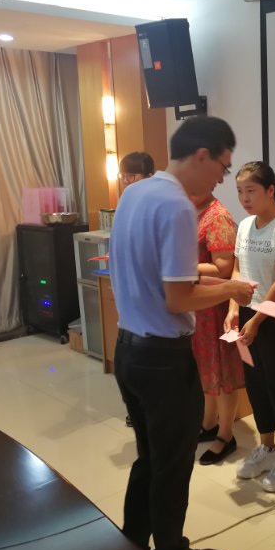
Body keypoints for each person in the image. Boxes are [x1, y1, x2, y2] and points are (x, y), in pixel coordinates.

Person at [109, 116, 254, 550]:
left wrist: (216, 283)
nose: (222, 179)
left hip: (128, 350)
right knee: (172, 467)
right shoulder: (176, 206)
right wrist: (231, 289)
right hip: (163, 361)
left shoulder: (134, 193)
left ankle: (134, 542)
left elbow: (165, 277)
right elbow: (178, 297)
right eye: (223, 167)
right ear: (202, 156)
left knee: (150, 458)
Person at [225, 161, 275, 492]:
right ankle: (267, 447)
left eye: (251, 191)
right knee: (256, 384)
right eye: (239, 191)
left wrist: (258, 319)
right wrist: (234, 308)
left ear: (270, 190)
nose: (244, 198)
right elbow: (238, 271)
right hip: (249, 315)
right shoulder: (245, 225)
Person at [190, 192, 243, 465]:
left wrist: (184, 267)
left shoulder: (217, 216)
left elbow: (224, 268)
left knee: (221, 371)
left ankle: (226, 434)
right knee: (205, 368)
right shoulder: (193, 212)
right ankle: (208, 423)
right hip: (198, 305)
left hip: (216, 306)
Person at [116, 150, 156, 428]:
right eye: (124, 176)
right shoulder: (125, 204)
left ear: (149, 176)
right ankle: (138, 409)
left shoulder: (156, 206)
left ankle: (148, 411)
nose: (128, 182)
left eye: (133, 176)